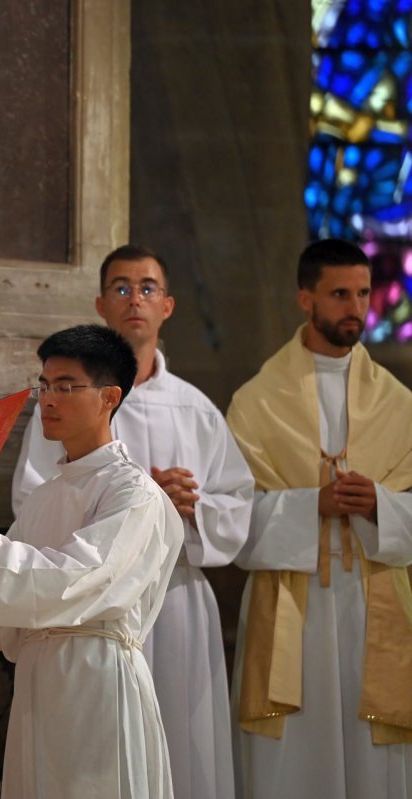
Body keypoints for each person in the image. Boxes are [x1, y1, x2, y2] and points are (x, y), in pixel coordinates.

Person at [0, 324, 183, 799]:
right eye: (43, 386)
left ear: (109, 397)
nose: (47, 400)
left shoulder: (132, 492)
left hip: (97, 676)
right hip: (38, 679)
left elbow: (78, 578)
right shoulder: (45, 496)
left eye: (66, 386)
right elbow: (13, 593)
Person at [12, 245, 252, 799]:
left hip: (177, 601)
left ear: (167, 306)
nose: (134, 299)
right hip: (94, 612)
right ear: (101, 304)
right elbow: (35, 504)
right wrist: (140, 501)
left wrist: (192, 510)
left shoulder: (196, 408)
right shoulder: (65, 402)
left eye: (147, 288)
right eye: (121, 288)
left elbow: (238, 509)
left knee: (183, 744)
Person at [226, 238, 412, 799]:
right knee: (296, 761)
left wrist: (382, 503)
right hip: (291, 605)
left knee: (370, 754)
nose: (355, 307)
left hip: (372, 601)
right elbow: (230, 521)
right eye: (339, 294)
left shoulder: (399, 404)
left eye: (362, 293)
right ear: (305, 299)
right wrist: (313, 505)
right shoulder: (257, 402)